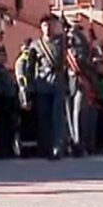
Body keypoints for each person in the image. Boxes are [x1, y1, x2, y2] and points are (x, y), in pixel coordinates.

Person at [29, 14, 69, 160]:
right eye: (45, 25)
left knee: (57, 117)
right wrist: (29, 86)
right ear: (41, 27)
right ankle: (46, 147)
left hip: (58, 83)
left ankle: (58, 148)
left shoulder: (62, 41)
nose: (48, 28)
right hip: (42, 85)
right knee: (44, 118)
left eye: (51, 24)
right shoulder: (35, 45)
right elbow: (30, 67)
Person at [64, 19, 96, 156]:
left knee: (78, 114)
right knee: (71, 114)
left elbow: (81, 59)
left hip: (78, 79)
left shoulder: (76, 38)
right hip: (66, 81)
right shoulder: (61, 40)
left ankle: (79, 143)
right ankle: (75, 142)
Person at [0, 47, 19, 158]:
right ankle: (1, 150)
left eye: (4, 55)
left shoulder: (4, 70)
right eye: (1, 55)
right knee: (1, 128)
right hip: (1, 101)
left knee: (10, 127)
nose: (3, 57)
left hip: (9, 102)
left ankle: (8, 148)